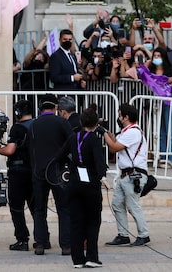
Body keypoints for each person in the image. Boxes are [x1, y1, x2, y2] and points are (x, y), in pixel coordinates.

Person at [59, 109, 108, 269]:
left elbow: (60, 155)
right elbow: (99, 162)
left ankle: (77, 258)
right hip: (91, 186)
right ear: (96, 124)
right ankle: (92, 257)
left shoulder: (73, 137)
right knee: (93, 221)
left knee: (76, 222)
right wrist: (102, 176)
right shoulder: (94, 140)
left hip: (74, 184)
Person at [27, 93, 72, 255]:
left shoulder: (34, 124)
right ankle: (66, 245)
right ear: (56, 107)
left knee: (39, 209)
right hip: (58, 171)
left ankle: (40, 243)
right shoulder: (62, 122)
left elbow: (29, 149)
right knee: (63, 209)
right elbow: (72, 143)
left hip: (39, 172)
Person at [103, 103, 151, 247]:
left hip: (133, 175)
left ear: (126, 117)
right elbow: (116, 142)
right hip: (126, 176)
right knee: (117, 204)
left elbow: (114, 148)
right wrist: (106, 131)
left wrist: (104, 133)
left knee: (133, 206)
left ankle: (144, 234)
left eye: (119, 115)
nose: (118, 118)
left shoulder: (133, 132)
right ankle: (123, 235)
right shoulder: (127, 131)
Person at [0, 99, 35, 251]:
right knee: (36, 207)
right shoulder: (36, 125)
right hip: (34, 172)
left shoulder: (17, 129)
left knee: (17, 207)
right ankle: (42, 238)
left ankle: (22, 239)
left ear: (17, 113)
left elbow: (10, 150)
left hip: (19, 172)